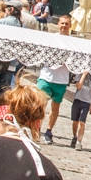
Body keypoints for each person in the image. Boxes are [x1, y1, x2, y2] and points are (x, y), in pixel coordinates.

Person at [35, 15, 74, 143]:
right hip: (46, 76)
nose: (64, 26)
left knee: (55, 107)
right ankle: (36, 128)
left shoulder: (73, 42)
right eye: (62, 23)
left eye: (66, 24)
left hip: (61, 80)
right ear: (58, 24)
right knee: (40, 105)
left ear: (70, 25)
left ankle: (48, 131)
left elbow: (74, 62)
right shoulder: (52, 39)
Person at [67, 72, 91, 149]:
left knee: (82, 122)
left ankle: (79, 142)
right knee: (75, 121)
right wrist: (84, 75)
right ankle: (74, 136)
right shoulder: (79, 74)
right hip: (78, 99)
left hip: (87, 102)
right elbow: (78, 86)